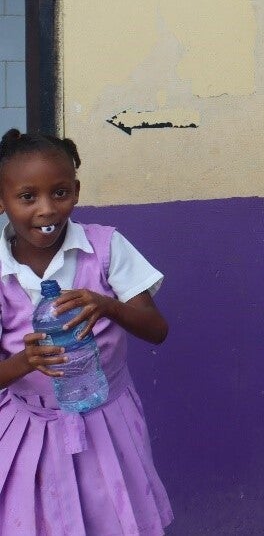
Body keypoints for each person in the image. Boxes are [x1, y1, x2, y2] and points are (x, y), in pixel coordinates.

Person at [0, 129, 172, 535]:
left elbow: (157, 330)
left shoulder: (106, 248)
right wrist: (25, 363)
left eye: (60, 193)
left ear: (76, 191)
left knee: (115, 519)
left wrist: (110, 305)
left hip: (106, 420)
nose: (46, 210)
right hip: (26, 429)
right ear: (2, 199)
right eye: (27, 197)